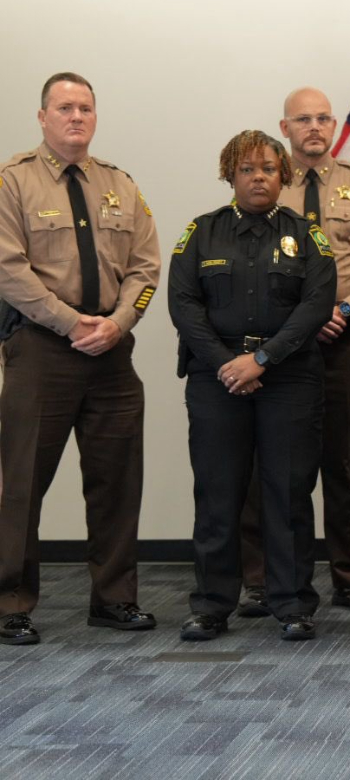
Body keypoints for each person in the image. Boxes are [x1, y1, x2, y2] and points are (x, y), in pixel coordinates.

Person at [0, 72, 162, 647]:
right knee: (20, 482)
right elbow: (9, 270)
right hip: (42, 351)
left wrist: (117, 323)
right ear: (42, 117)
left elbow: (146, 266)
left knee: (117, 482)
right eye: (64, 108)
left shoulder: (119, 184)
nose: (76, 117)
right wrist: (72, 324)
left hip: (112, 353)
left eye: (86, 108)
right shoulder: (13, 183)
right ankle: (9, 602)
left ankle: (114, 599)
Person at [168, 130, 336, 641]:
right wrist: (228, 364)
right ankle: (212, 604)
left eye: (267, 168)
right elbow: (183, 305)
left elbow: (316, 305)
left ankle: (291, 604)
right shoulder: (201, 232)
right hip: (217, 379)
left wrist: (261, 359)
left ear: (283, 175)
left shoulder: (309, 235)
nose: (258, 177)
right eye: (247, 169)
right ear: (230, 175)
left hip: (288, 377)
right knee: (218, 493)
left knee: (287, 493)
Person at [235, 88, 350, 619]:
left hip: (343, 337)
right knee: (266, 464)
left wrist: (346, 310)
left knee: (341, 460)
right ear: (285, 125)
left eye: (324, 118)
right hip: (278, 347)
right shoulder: (267, 184)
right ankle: (261, 579)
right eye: (304, 119)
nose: (315, 127)